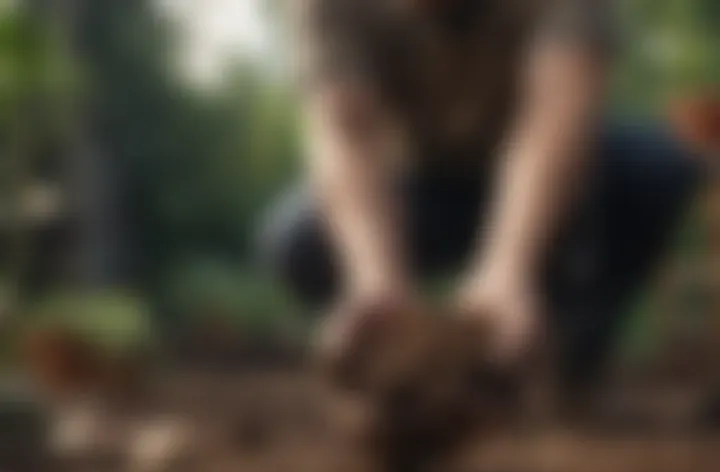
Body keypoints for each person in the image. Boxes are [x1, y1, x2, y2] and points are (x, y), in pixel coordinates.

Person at [257, 0, 705, 408]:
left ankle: (572, 345)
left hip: (560, 176)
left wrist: (506, 271)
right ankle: (394, 371)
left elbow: (553, 117)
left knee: (660, 170)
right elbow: (345, 133)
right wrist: (375, 281)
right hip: (423, 180)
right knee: (299, 237)